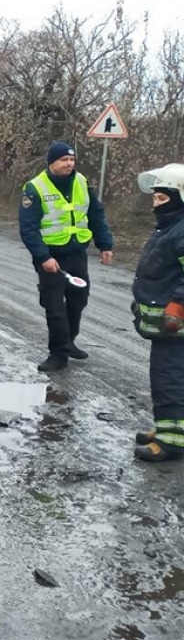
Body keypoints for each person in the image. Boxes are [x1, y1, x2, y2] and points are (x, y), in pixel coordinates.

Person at [19, 141, 115, 372]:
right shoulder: (35, 188)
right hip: (51, 257)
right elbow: (28, 228)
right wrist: (43, 257)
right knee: (54, 306)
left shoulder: (82, 182)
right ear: (52, 162)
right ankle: (58, 354)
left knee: (78, 299)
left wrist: (105, 245)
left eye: (72, 160)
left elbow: (96, 214)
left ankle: (69, 341)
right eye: (64, 160)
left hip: (76, 252)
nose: (69, 164)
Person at [129, 164, 184, 462]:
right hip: (166, 328)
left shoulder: (181, 228)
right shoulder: (171, 225)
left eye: (162, 198)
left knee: (170, 379)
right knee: (166, 377)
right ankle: (169, 429)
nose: (155, 203)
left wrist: (178, 306)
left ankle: (172, 441)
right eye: (155, 197)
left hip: (175, 326)